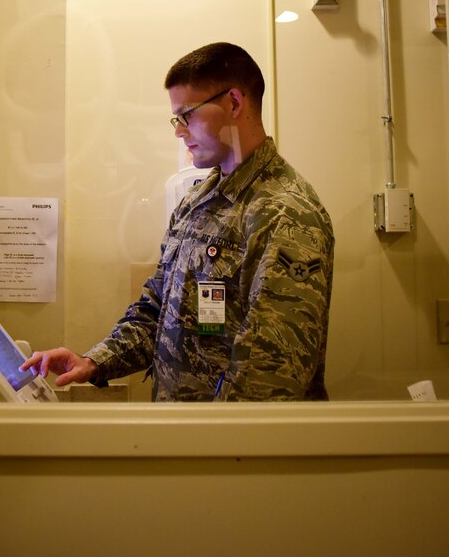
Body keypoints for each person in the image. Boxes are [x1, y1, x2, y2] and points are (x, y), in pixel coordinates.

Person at [21, 42, 334, 401]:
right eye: (176, 118)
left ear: (233, 102)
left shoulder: (285, 213)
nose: (179, 131)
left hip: (232, 448)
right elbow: (157, 308)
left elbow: (269, 378)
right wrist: (93, 362)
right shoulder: (198, 202)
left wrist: (204, 448)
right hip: (186, 437)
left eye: (187, 115)